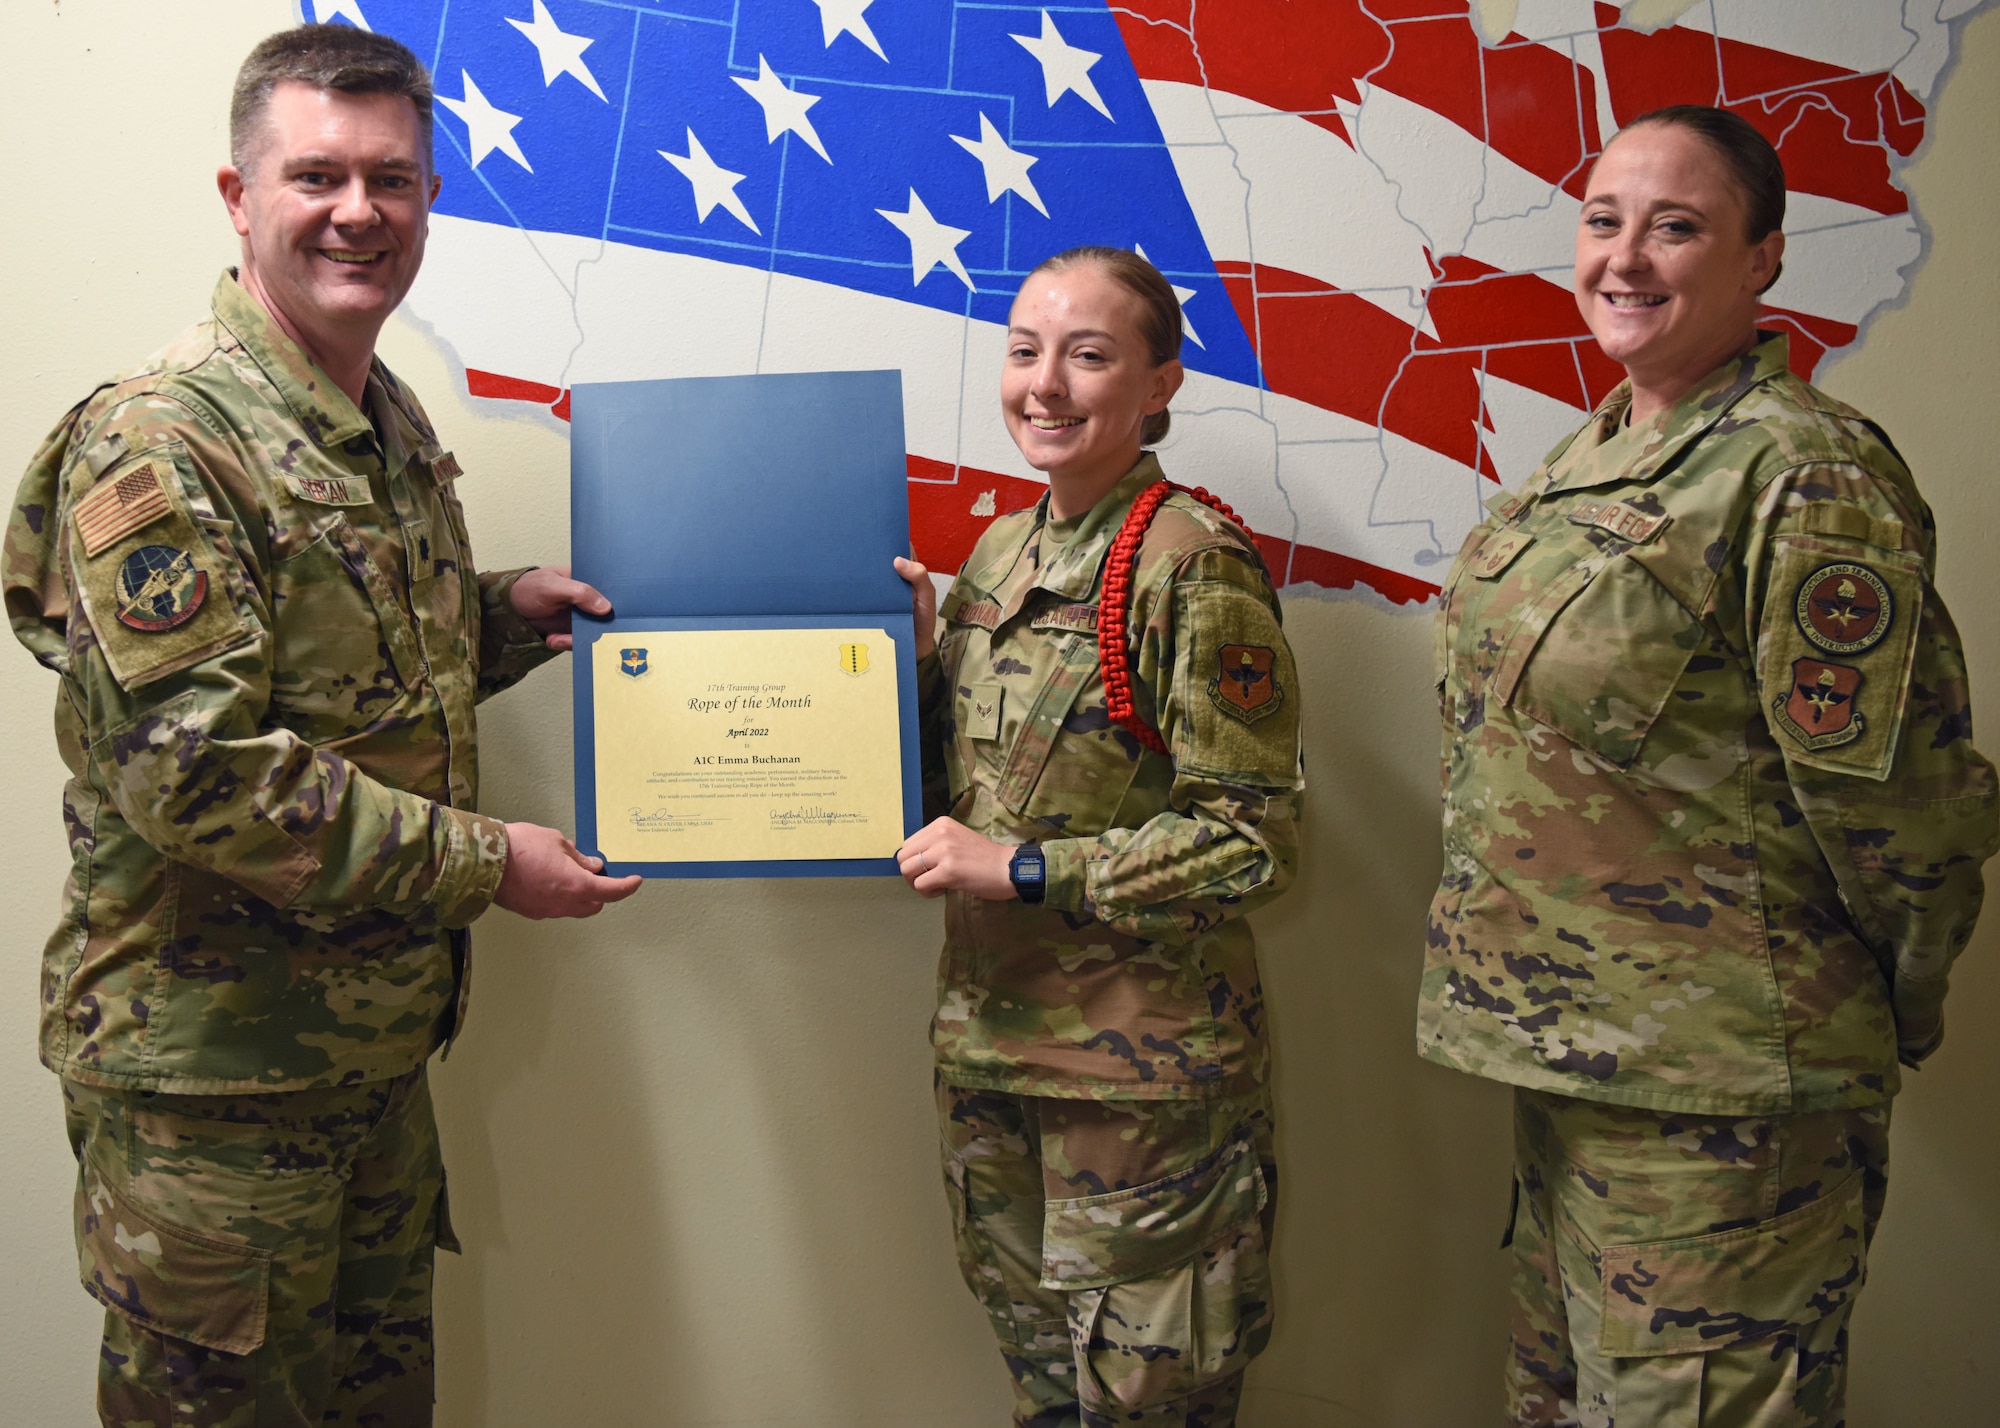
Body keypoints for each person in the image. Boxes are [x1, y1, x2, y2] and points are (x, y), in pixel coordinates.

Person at [1, 24, 640, 1425]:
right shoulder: (165, 443)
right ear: (240, 198)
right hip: (214, 1095)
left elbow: (339, 673)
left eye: (395, 180)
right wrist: (490, 866)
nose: (361, 212)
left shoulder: (375, 419)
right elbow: (198, 771)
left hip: (359, 1071)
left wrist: (500, 616)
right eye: (319, 176)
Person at [1421, 104, 1999, 1427]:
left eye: (1676, 226)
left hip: (1725, 1103)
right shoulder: (1590, 459)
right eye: (1604, 219)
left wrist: (1881, 1009)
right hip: (1575, 1068)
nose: (1626, 256)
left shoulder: (1803, 473)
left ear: (1763, 261)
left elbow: (1900, 805)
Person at [893, 247, 1304, 1428]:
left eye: (1087, 355)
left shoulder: (1189, 565)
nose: (1045, 385)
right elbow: (956, 796)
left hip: (1141, 1086)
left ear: (1158, 382)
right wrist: (911, 664)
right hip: (990, 1053)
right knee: (1045, 1400)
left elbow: (1252, 838)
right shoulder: (996, 555)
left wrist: (1025, 871)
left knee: (1147, 1404)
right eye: (1025, 351)